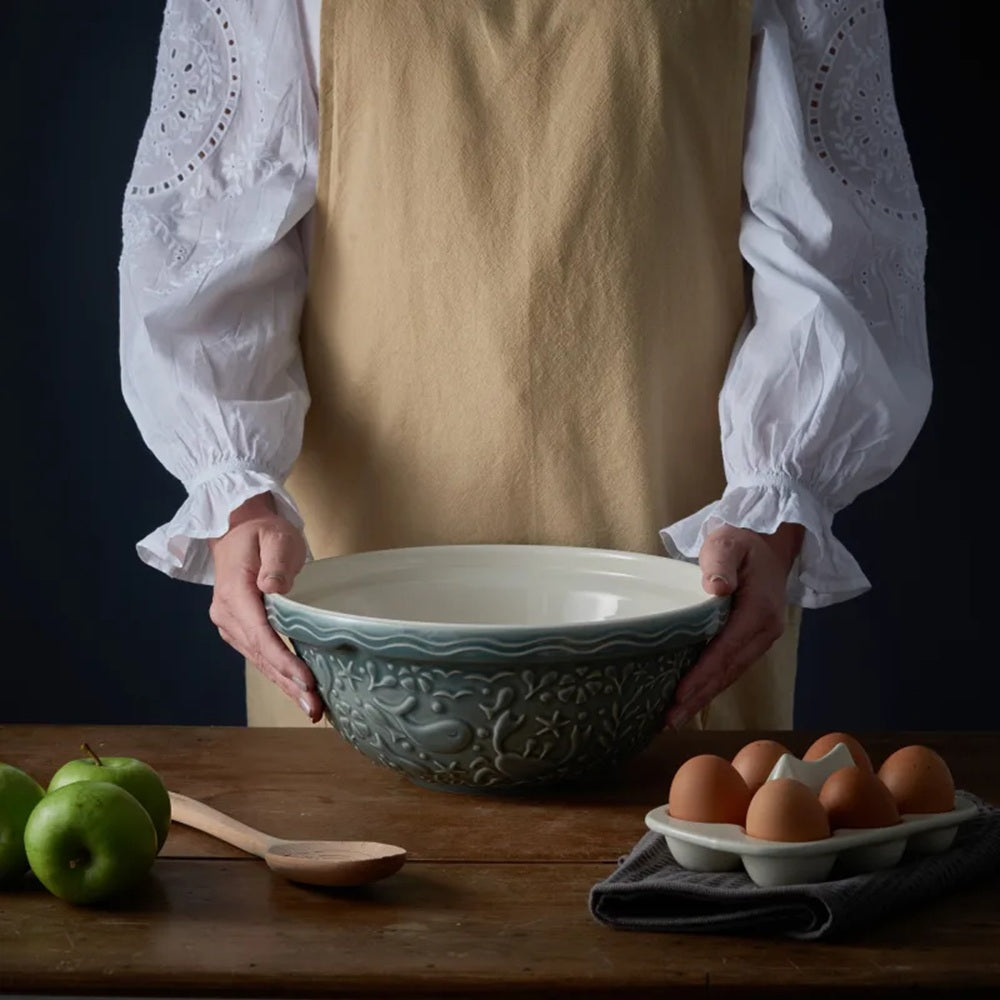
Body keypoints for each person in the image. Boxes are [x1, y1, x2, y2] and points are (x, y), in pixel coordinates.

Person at [119, 0, 929, 732]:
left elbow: (833, 251)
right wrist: (235, 495)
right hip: (352, 606)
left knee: (672, 869)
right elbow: (210, 246)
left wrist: (780, 505)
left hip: (684, 576)